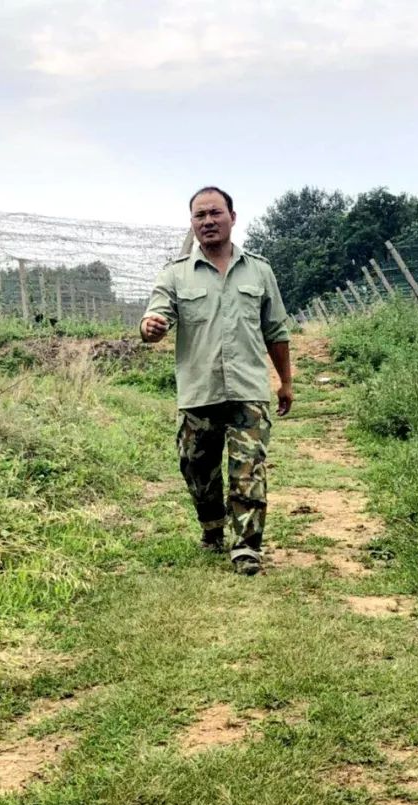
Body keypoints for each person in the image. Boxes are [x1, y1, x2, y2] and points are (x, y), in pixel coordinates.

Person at [141, 187, 293, 575]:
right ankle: (211, 528)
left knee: (249, 470)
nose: (208, 221)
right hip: (199, 392)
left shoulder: (260, 270)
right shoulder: (175, 273)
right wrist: (151, 327)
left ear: (232, 217)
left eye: (215, 213)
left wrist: (285, 382)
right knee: (197, 468)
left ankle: (247, 548)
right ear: (192, 224)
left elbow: (275, 330)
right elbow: (156, 316)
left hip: (248, 391)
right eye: (199, 216)